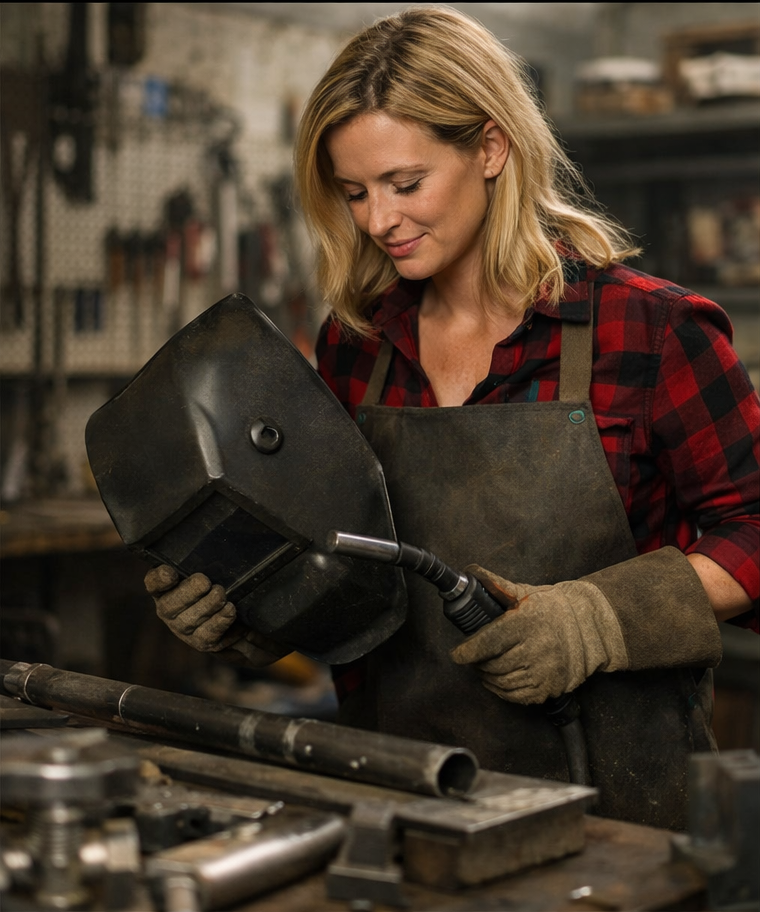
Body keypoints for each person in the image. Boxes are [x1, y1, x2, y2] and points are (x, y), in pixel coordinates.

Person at [144, 6, 760, 831]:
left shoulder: (651, 332)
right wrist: (248, 614)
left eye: (405, 184)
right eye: (354, 192)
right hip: (401, 794)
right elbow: (341, 560)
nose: (377, 222)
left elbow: (753, 528)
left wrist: (600, 620)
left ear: (491, 148)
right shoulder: (357, 345)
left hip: (615, 817)